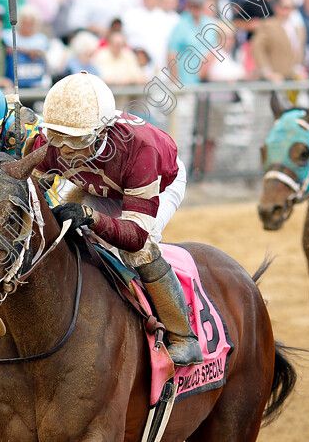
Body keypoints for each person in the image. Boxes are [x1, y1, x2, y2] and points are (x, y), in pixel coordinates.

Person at [30, 71, 199, 367]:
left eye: (77, 139)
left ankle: (183, 336)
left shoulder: (142, 151)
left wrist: (92, 217)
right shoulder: (49, 142)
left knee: (139, 251)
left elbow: (135, 235)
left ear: (102, 131)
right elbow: (32, 191)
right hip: (96, 181)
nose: (65, 149)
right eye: (57, 137)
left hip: (156, 183)